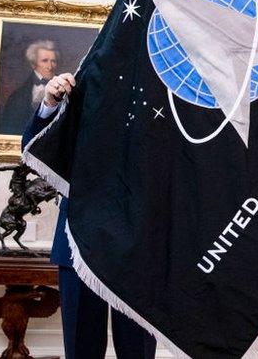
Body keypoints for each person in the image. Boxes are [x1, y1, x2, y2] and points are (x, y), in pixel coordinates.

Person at [22, 72, 157, 359]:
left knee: (138, 351)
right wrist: (49, 102)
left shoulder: (155, 104)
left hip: (136, 252)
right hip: (77, 245)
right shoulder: (77, 93)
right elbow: (33, 147)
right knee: (82, 348)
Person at [0, 40, 59, 136]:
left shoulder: (66, 91)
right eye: (45, 61)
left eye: (53, 61)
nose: (50, 66)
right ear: (33, 64)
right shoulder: (17, 97)